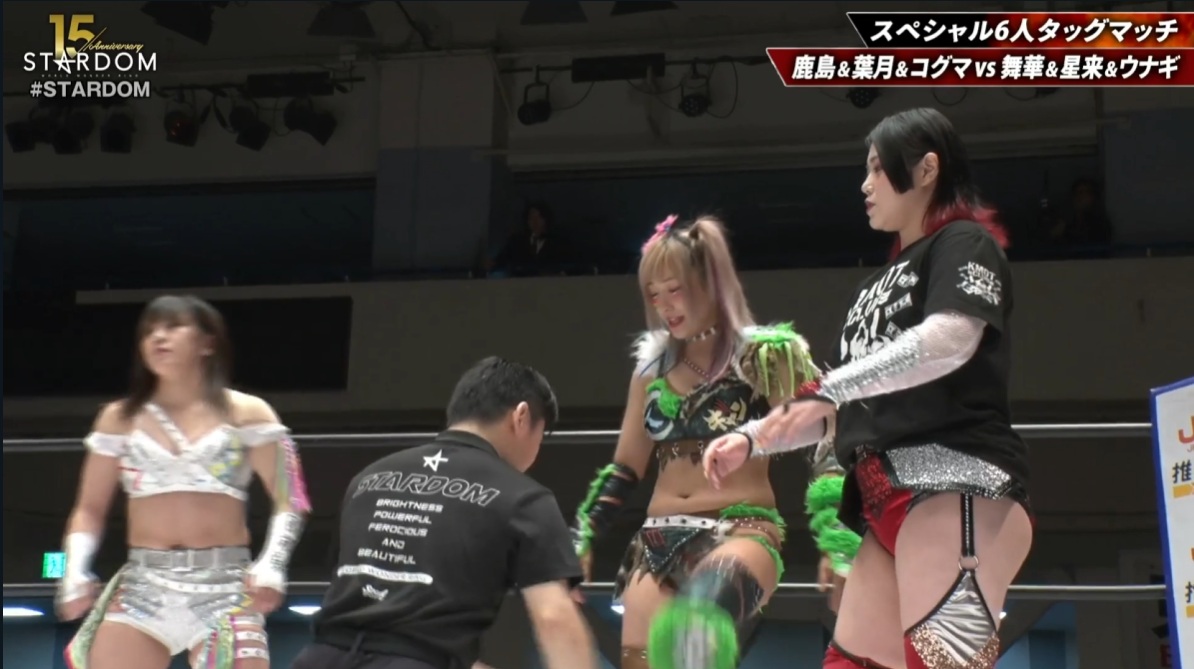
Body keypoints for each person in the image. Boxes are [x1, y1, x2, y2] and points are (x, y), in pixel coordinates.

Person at [703, 107, 1034, 669]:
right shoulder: (873, 286)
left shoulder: (964, 243)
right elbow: (831, 401)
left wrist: (832, 387)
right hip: (882, 498)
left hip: (956, 480)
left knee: (941, 662)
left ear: (926, 169)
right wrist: (753, 438)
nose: (865, 184)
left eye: (878, 168)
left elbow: (951, 338)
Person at [571, 214, 860, 669]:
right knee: (641, 661)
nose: (665, 306)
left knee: (695, 630)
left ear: (709, 283)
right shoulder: (649, 372)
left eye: (675, 289)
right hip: (657, 541)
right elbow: (625, 468)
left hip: (741, 531)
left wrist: (837, 537)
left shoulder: (766, 356)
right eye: (654, 294)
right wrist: (582, 535)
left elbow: (826, 438)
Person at [293, 356, 597, 669]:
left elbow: (381, 628)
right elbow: (553, 617)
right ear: (521, 416)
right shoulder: (524, 497)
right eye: (541, 435)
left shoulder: (367, 479)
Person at [57, 295, 310, 669]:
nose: (158, 337)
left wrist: (273, 563)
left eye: (173, 326)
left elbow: (291, 497)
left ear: (208, 342)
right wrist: (74, 569)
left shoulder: (248, 412)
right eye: (149, 331)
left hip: (226, 588)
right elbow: (89, 508)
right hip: (143, 587)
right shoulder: (118, 418)